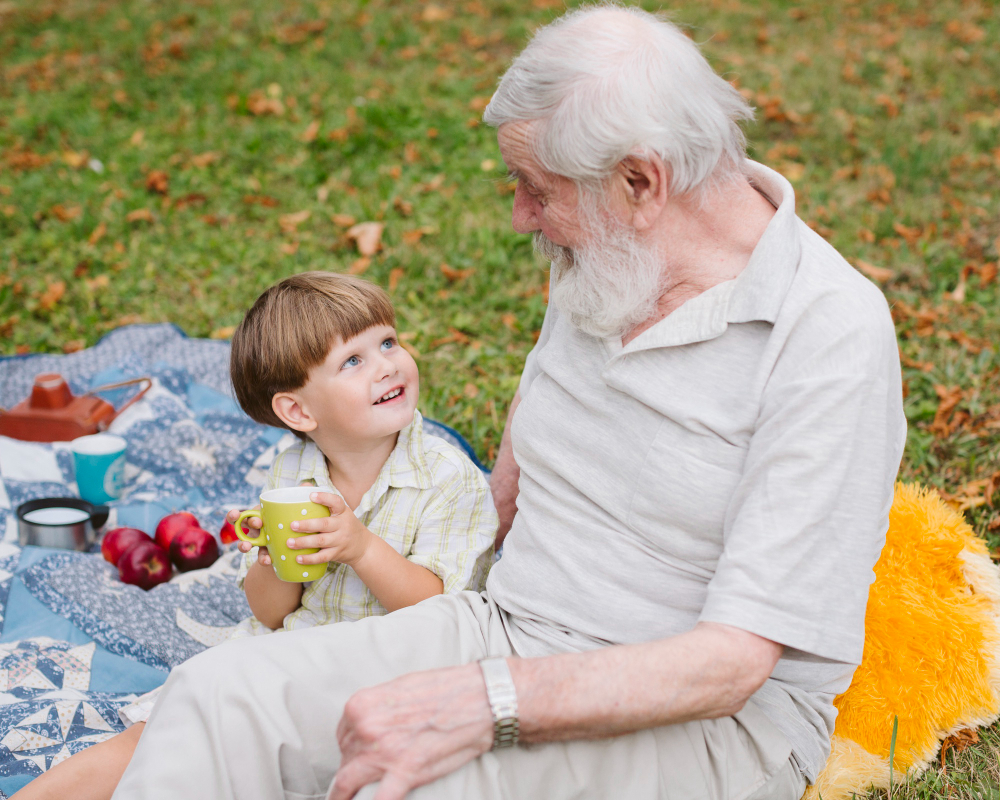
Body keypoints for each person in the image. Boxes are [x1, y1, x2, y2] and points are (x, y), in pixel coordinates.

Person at [111, 5, 907, 800]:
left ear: (640, 181)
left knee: (425, 787)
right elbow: (536, 421)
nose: (522, 214)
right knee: (220, 694)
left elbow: (732, 665)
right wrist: (449, 575)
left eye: (536, 188)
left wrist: (483, 704)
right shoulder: (612, 254)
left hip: (707, 725)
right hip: (508, 631)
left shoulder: (828, 332)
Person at [13, 272, 496, 800]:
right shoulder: (295, 472)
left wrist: (361, 548)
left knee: (208, 752)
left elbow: (443, 617)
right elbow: (269, 614)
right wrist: (272, 559)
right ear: (298, 411)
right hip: (287, 651)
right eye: (353, 361)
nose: (387, 364)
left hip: (391, 674)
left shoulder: (448, 479)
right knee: (157, 731)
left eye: (387, 342)